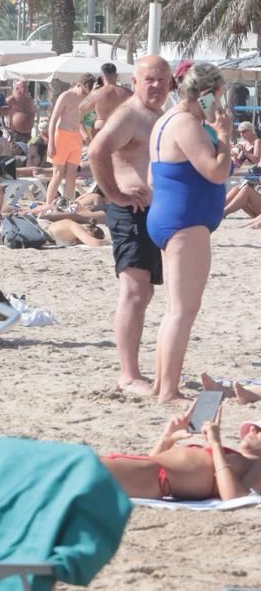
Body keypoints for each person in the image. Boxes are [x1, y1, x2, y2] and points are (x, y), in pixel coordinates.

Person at [146, 62, 232, 403]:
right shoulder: (185, 123)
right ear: (206, 95)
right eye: (219, 97)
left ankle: (161, 383)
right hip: (185, 221)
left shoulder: (167, 120)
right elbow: (215, 171)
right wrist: (223, 136)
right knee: (183, 309)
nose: (221, 106)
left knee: (175, 309)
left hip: (172, 216)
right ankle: (168, 389)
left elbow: (154, 178)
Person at [91, 55, 173, 395]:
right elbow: (96, 151)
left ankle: (141, 370)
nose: (155, 85)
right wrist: (114, 193)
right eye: (149, 79)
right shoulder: (129, 114)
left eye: (161, 80)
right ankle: (128, 375)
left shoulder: (164, 116)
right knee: (134, 291)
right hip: (131, 212)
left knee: (147, 292)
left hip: (156, 214)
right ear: (135, 81)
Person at [103, 406, 261, 502]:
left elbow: (236, 498)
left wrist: (215, 444)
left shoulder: (257, 465)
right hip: (147, 469)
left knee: (84, 468)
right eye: (253, 427)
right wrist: (167, 439)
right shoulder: (236, 459)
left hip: (155, 478)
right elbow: (154, 459)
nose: (253, 430)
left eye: (259, 430)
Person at [45, 74, 90, 205]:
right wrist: (51, 143)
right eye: (83, 91)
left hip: (76, 138)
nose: (84, 95)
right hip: (62, 136)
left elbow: (80, 121)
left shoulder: (85, 98)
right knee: (58, 174)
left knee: (72, 176)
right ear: (78, 84)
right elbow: (53, 119)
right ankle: (47, 206)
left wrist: (85, 136)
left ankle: (67, 206)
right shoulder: (66, 96)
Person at [85, 61, 134, 128]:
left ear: (102, 77)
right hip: (122, 128)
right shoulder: (129, 93)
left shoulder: (96, 93)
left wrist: (91, 93)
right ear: (117, 76)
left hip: (102, 128)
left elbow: (81, 108)